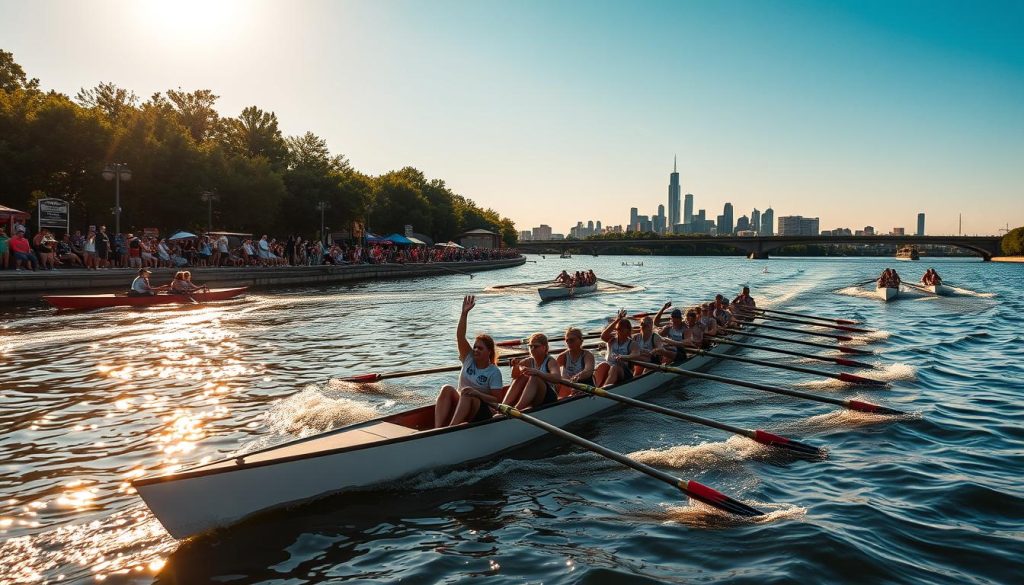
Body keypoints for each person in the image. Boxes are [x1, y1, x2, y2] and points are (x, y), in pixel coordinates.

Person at [433, 295, 504, 428]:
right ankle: (438, 429)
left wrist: (476, 393)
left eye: (480, 348)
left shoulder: (494, 372)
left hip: (483, 409)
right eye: (475, 347)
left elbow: (497, 400)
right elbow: (460, 336)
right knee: (447, 388)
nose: (476, 350)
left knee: (466, 393)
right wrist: (464, 313)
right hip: (463, 402)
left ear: (489, 352)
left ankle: (450, 429)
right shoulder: (468, 357)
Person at [502, 333, 561, 410]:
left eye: (535, 346)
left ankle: (516, 409)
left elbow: (557, 378)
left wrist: (538, 373)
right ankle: (503, 406)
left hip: (549, 398)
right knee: (522, 377)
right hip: (536, 397)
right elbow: (514, 376)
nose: (532, 349)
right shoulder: (528, 361)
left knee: (535, 378)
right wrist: (516, 366)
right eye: (530, 346)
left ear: (544, 347)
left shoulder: (550, 361)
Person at [594, 309, 638, 387]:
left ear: (628, 330)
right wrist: (617, 320)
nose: (618, 330)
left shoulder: (632, 343)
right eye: (618, 328)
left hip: (625, 372)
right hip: (609, 367)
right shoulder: (611, 340)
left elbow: (636, 354)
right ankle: (595, 388)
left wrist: (624, 357)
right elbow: (603, 335)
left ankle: (604, 389)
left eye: (621, 328)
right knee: (602, 365)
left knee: (614, 368)